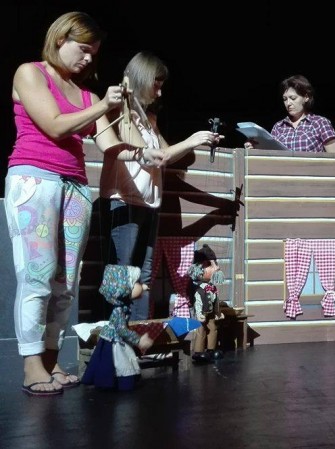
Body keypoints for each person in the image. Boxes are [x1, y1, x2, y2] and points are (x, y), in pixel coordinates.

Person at [4, 11, 166, 396]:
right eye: (83, 49)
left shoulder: (87, 95)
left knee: (66, 283)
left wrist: (142, 153)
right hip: (35, 179)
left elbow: (109, 146)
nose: (89, 58)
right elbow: (55, 124)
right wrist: (103, 105)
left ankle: (51, 359)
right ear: (60, 38)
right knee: (37, 275)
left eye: (94, 52)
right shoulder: (30, 74)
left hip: (75, 186)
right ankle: (31, 365)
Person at [99, 51, 224, 322]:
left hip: (148, 204)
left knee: (144, 275)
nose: (159, 92)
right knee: (122, 273)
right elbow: (155, 155)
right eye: (155, 84)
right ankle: (117, 334)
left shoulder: (148, 119)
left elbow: (167, 154)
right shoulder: (119, 112)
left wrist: (199, 141)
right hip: (123, 201)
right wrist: (193, 140)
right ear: (141, 78)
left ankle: (140, 332)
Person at [80, 265, 155, 391]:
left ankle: (116, 382)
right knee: (120, 361)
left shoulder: (122, 306)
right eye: (136, 282)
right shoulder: (119, 310)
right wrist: (138, 340)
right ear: (123, 288)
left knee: (118, 361)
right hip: (114, 341)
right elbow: (121, 330)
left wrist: (142, 287)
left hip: (116, 339)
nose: (140, 285)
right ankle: (121, 383)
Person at [244, 74, 335, 153]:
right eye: (285, 99)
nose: (288, 103)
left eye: (293, 98)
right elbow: (270, 158)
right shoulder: (278, 127)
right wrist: (254, 149)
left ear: (306, 97)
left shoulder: (320, 123)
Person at [187, 244, 225, 363]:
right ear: (199, 269)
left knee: (213, 328)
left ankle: (211, 349)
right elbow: (197, 303)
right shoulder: (198, 289)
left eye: (215, 264)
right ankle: (198, 351)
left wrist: (218, 312)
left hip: (211, 313)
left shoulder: (212, 287)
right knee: (201, 330)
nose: (216, 268)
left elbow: (215, 301)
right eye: (210, 265)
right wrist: (199, 314)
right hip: (202, 314)